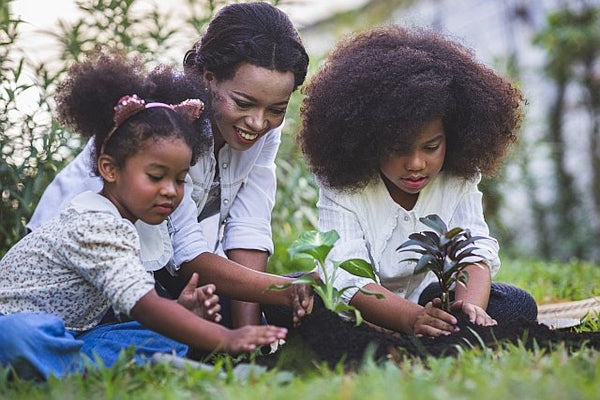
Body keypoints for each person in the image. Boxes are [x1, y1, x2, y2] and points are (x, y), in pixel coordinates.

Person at [0, 50, 291, 380]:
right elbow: (145, 304)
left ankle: (93, 369)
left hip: (76, 333)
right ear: (109, 169)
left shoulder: (128, 226)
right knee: (17, 336)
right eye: (156, 177)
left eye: (180, 179)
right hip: (20, 326)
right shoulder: (94, 225)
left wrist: (183, 314)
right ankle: (112, 368)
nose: (171, 191)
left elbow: (142, 307)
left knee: (159, 334)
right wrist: (228, 338)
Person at [26, 1, 311, 328]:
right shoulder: (165, 123)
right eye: (243, 103)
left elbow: (250, 223)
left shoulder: (259, 127)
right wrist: (282, 290)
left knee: (242, 311)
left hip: (155, 264)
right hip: (84, 275)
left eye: (277, 108)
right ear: (209, 78)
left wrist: (251, 329)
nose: (259, 122)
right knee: (182, 322)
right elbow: (186, 256)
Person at [296, 26, 538, 337]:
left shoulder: (457, 174)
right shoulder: (343, 184)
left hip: (433, 298)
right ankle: (407, 331)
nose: (416, 164)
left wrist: (469, 310)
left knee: (517, 305)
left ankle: (444, 327)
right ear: (368, 140)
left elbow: (473, 250)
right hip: (364, 306)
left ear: (452, 137)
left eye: (431, 147)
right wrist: (411, 318)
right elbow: (344, 273)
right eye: (398, 149)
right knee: (301, 298)